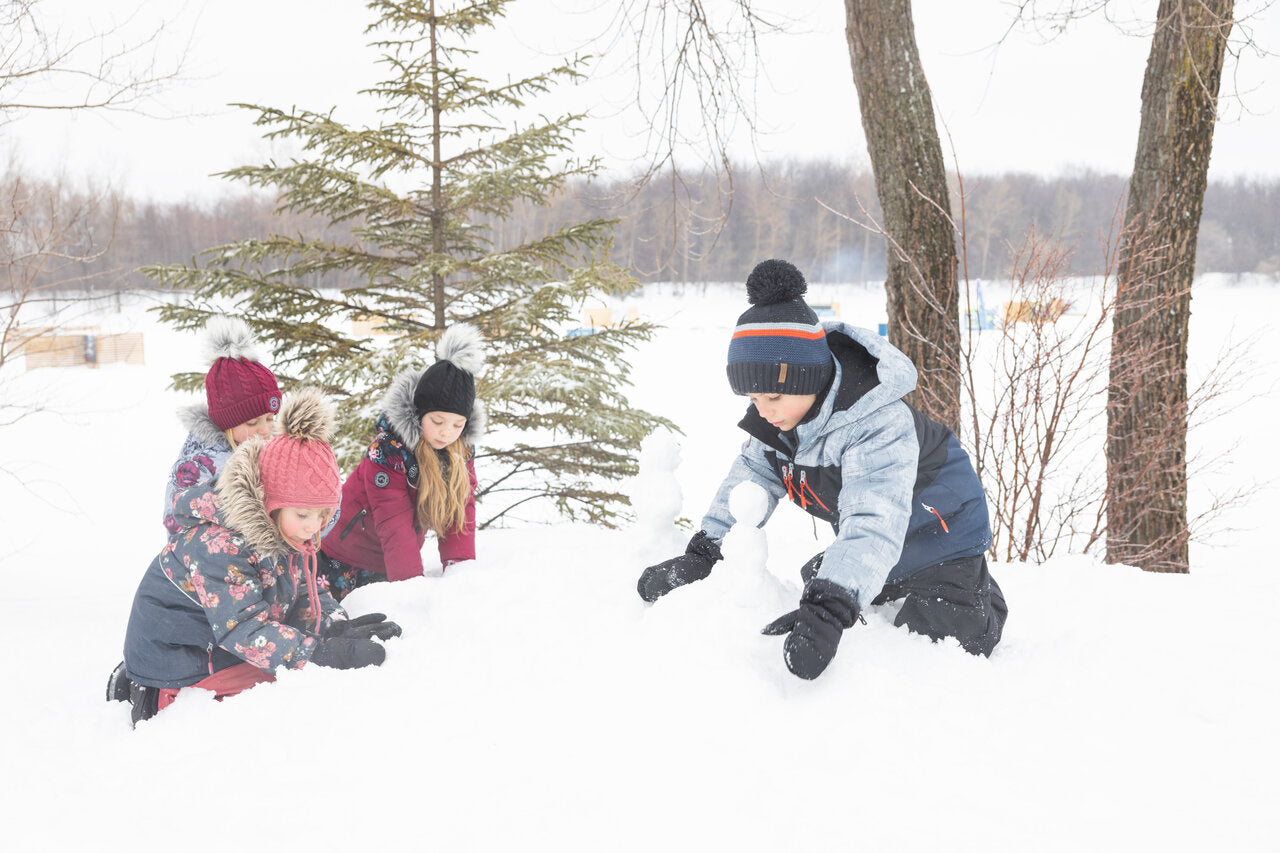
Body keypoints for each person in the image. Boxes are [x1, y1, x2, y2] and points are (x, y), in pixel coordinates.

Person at [636, 259, 1007, 680]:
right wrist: (706, 553)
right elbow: (751, 478)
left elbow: (873, 519)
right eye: (753, 398)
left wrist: (828, 609)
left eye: (773, 396)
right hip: (878, 530)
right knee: (833, 576)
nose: (763, 412)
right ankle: (869, 575)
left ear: (807, 380)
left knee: (953, 642)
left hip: (940, 528)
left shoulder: (877, 423)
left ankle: (975, 591)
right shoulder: (780, 419)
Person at [111, 387, 400, 726]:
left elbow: (305, 590)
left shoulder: (284, 529)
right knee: (281, 690)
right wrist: (318, 655)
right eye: (303, 515)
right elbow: (244, 629)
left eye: (322, 514)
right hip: (176, 658)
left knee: (294, 675)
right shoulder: (219, 545)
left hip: (221, 640)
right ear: (272, 503)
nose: (314, 527)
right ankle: (144, 694)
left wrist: (333, 626)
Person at [318, 324, 485, 601]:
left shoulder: (460, 451)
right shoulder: (388, 452)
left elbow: (460, 508)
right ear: (419, 415)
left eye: (458, 424)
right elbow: (394, 521)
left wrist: (460, 569)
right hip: (345, 553)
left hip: (390, 559)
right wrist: (411, 587)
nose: (447, 432)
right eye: (438, 421)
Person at [161, 316, 282, 535]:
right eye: (253, 422)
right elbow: (175, 522)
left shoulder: (276, 450)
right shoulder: (199, 467)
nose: (265, 430)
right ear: (226, 424)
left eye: (270, 418)